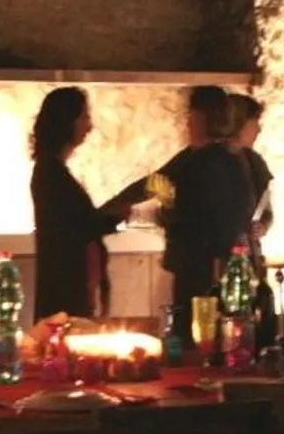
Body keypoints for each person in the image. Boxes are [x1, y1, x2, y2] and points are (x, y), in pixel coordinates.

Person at [28, 87, 143, 320]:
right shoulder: (51, 174)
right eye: (84, 117)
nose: (89, 127)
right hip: (65, 287)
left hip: (68, 286)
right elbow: (80, 226)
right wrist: (113, 216)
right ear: (66, 121)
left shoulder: (52, 171)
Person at [153, 85, 251, 304]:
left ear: (201, 117)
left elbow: (204, 218)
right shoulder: (215, 158)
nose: (186, 122)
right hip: (202, 264)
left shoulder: (210, 162)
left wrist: (167, 211)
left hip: (202, 267)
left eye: (190, 115)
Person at [225, 94, 274, 272]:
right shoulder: (214, 161)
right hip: (222, 257)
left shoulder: (255, 162)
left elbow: (265, 208)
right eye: (254, 122)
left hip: (249, 256)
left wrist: (262, 226)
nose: (258, 129)